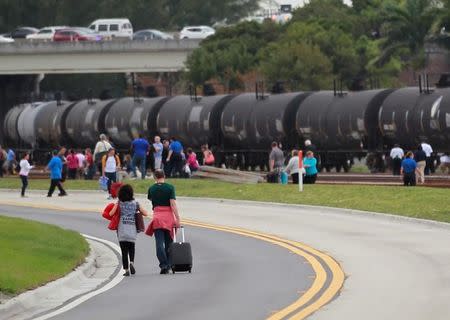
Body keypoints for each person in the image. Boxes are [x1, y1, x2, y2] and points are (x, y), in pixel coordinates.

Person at [107, 184, 149, 276]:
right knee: (131, 247)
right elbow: (146, 213)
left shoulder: (119, 203)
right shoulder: (136, 203)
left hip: (122, 229)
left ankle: (126, 270)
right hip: (132, 229)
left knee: (124, 251)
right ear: (131, 193)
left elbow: (111, 213)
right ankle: (132, 263)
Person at [146, 169, 181, 274]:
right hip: (168, 218)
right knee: (169, 243)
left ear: (155, 177)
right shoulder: (170, 188)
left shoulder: (151, 188)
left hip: (157, 217)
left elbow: (151, 199)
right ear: (164, 176)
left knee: (159, 244)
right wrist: (178, 218)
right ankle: (169, 264)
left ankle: (163, 264)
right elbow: (173, 204)